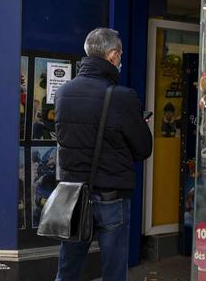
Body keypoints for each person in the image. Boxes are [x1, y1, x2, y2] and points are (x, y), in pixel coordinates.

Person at [53, 28, 152, 281]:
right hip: (112, 198)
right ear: (112, 55)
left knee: (68, 268)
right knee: (114, 271)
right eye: (119, 56)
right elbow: (143, 149)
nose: (120, 61)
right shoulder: (122, 96)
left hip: (73, 196)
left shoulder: (63, 93)